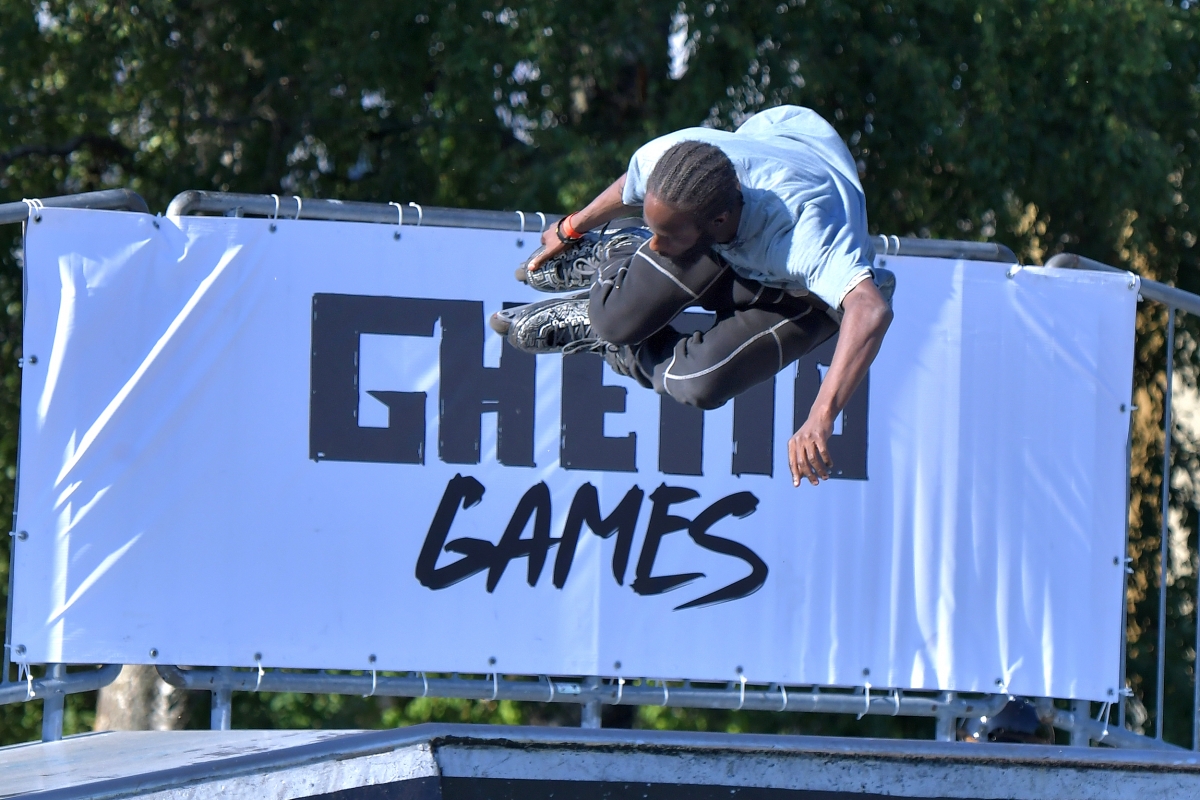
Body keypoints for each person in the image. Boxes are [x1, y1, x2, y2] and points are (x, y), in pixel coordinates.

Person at [490, 105, 894, 488]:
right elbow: (630, 187)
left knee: (698, 384)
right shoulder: (672, 161)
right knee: (614, 318)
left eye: (667, 235)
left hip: (798, 293)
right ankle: (614, 256)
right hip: (725, 229)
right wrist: (571, 229)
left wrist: (821, 416)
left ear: (718, 220)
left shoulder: (806, 238)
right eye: (653, 231)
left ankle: (612, 344)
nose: (657, 245)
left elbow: (871, 308)